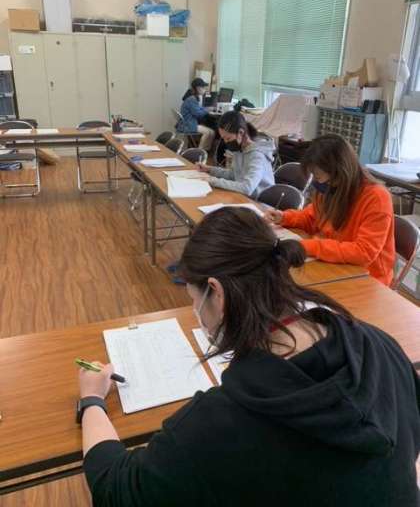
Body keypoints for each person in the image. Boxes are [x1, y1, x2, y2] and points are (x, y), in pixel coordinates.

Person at [80, 208, 420, 506]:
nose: (195, 310)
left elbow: (114, 489)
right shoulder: (378, 344)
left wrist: (92, 399)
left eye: (193, 298)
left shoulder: (218, 424)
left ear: (216, 292)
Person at [265, 134, 395, 285]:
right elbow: (311, 218)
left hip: (367, 278)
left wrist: (308, 246)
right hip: (335, 264)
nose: (316, 182)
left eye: (318, 177)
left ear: (339, 173)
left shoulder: (376, 197)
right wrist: (284, 217)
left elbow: (363, 252)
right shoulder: (331, 189)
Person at [198, 110, 275, 199]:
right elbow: (233, 175)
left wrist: (213, 181)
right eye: (223, 138)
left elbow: (247, 187)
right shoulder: (239, 149)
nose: (226, 142)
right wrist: (210, 169)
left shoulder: (257, 155)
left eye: (228, 138)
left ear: (241, 133)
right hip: (243, 197)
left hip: (259, 202)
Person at [177, 78, 215, 151]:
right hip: (188, 125)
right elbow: (198, 114)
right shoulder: (192, 99)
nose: (204, 89)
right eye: (203, 87)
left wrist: (205, 109)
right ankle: (199, 151)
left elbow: (198, 108)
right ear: (198, 88)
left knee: (212, 132)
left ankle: (205, 151)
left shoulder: (192, 97)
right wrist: (207, 110)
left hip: (187, 123)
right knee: (208, 132)